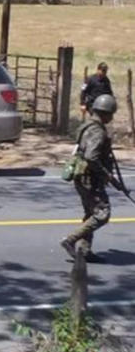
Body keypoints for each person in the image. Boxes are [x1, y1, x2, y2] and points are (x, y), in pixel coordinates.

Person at [62, 94, 117, 261]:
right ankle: (70, 240)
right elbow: (91, 157)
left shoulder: (87, 126)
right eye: (111, 114)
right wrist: (106, 175)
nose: (111, 118)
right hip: (90, 179)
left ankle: (85, 250)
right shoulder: (98, 131)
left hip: (82, 176)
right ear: (106, 113)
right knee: (102, 214)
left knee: (90, 213)